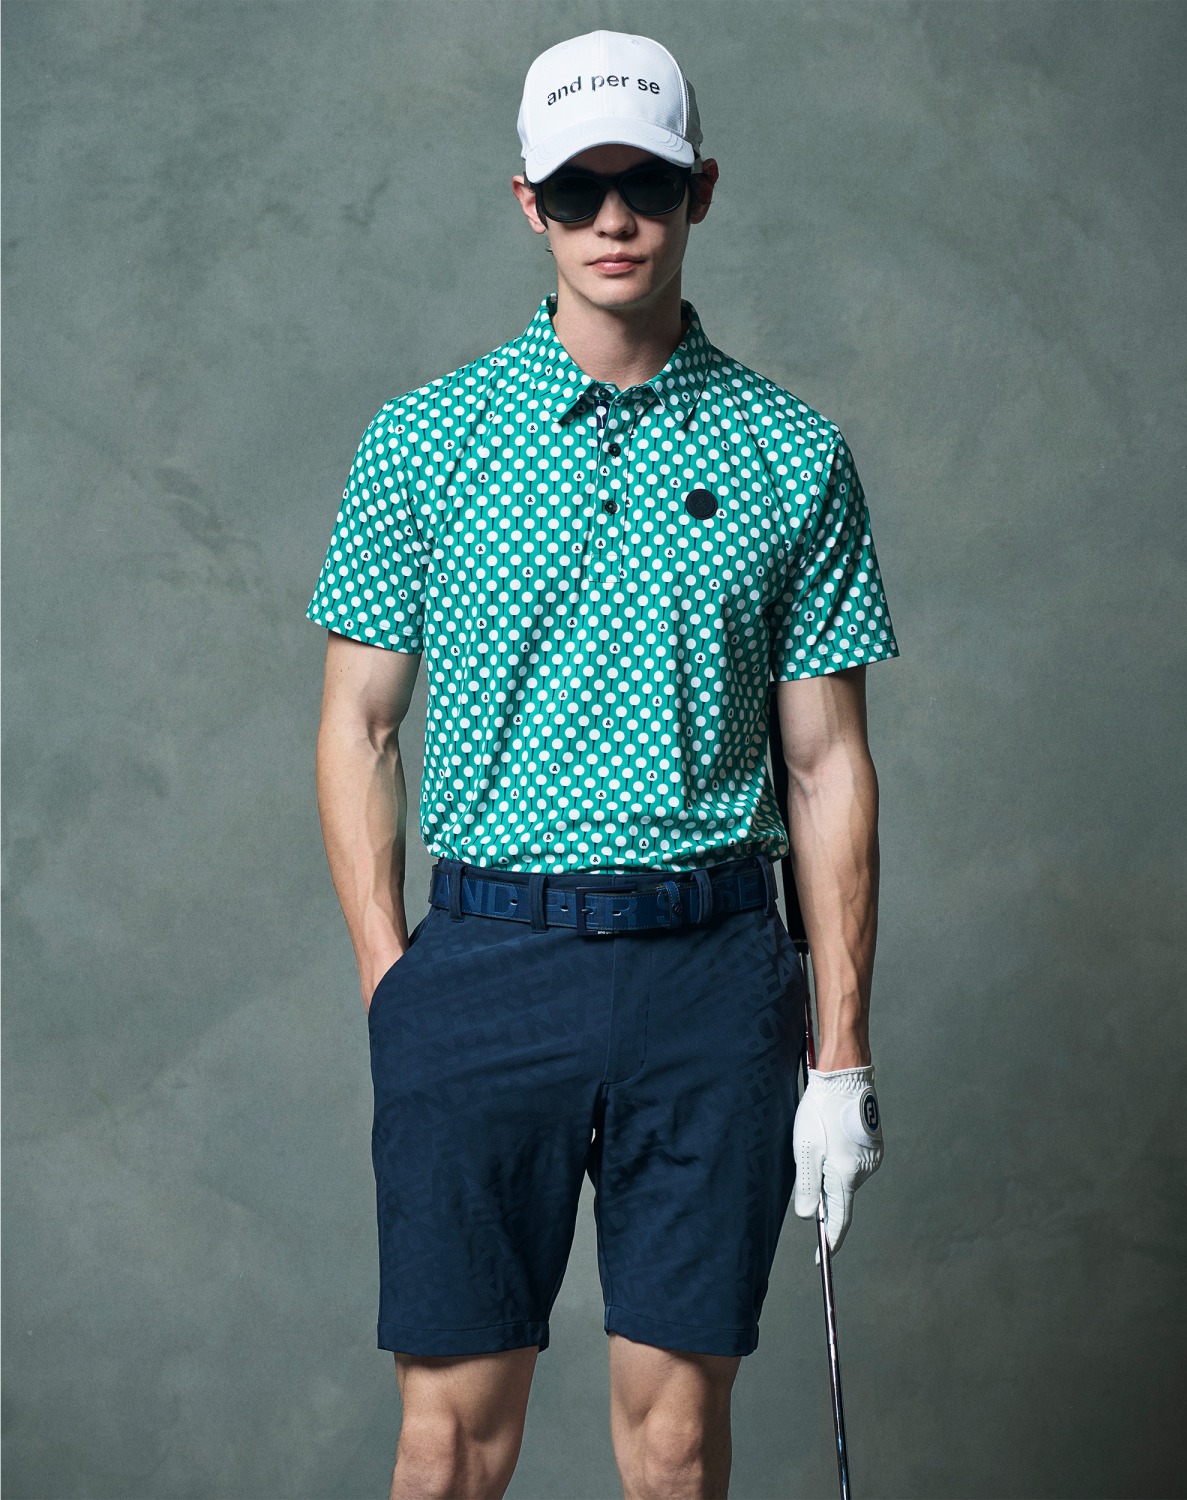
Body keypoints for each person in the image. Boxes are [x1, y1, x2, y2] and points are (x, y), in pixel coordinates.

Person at [307, 28, 897, 1500]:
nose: (615, 220)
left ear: (703, 190)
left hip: (710, 975)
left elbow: (828, 766)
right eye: (579, 191)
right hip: (486, 963)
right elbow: (359, 726)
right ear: (530, 204)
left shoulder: (794, 452)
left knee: (679, 1447)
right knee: (450, 1444)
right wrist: (394, 983)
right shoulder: (425, 440)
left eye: (648, 185)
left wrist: (841, 1056)